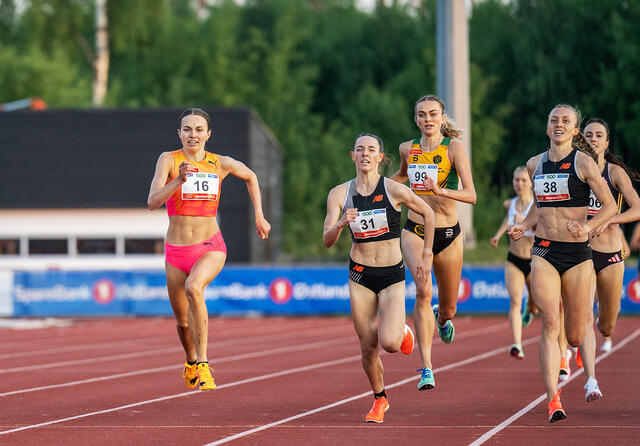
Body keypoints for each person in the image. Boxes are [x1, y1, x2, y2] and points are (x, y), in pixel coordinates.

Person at [147, 108, 271, 391]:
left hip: (210, 245)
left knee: (194, 288)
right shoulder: (168, 160)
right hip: (176, 251)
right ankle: (190, 361)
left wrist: (259, 215)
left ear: (208, 134)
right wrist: (178, 180)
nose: (193, 134)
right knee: (181, 321)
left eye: (199, 129)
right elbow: (152, 202)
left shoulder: (220, 163)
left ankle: (203, 364)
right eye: (187, 129)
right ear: (179, 133)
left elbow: (251, 176)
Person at [509, 104, 616, 423]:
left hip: (578, 254)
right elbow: (538, 209)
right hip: (544, 250)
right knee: (549, 321)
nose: (558, 124)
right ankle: (553, 397)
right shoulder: (534, 164)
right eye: (553, 120)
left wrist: (586, 227)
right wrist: (524, 226)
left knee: (573, 332)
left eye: (565, 121)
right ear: (547, 128)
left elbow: (609, 205)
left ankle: (586, 371)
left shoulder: (583, 163)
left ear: (574, 131)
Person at [323, 133, 435, 423]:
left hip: (390, 275)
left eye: (371, 149)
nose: (365, 154)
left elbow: (428, 213)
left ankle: (403, 332)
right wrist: (341, 222)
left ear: (380, 158)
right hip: (360, 274)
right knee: (367, 345)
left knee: (389, 343)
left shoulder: (394, 190)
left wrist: (427, 253)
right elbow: (327, 240)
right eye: (359, 149)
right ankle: (380, 398)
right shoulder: (339, 194)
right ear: (352, 156)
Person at [391, 95, 476, 390]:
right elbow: (400, 176)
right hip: (415, 229)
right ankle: (426, 367)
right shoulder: (407, 149)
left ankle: (442, 319)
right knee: (423, 290)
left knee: (449, 308)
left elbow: (471, 194)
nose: (427, 119)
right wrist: (379, 190)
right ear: (416, 119)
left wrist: (440, 190)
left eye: (433, 114)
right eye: (422, 115)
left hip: (448, 233)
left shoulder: (453, 148)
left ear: (442, 118)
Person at [576, 118, 640, 396]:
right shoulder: (575, 169)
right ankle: (591, 380)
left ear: (606, 142)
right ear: (582, 139)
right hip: (581, 252)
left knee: (606, 326)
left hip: (611, 253)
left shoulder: (614, 173)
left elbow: (637, 208)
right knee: (585, 317)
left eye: (598, 135)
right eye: (588, 134)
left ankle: (605, 318)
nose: (593, 139)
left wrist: (612, 220)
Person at [490, 166, 537, 359]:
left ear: (531, 183)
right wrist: (498, 235)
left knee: (535, 306)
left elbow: (543, 230)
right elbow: (506, 220)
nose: (519, 184)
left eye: (524, 180)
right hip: (514, 259)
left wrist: (525, 223)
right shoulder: (510, 204)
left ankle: (531, 309)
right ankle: (517, 344)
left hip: (534, 260)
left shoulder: (536, 205)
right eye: (516, 180)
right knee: (515, 301)